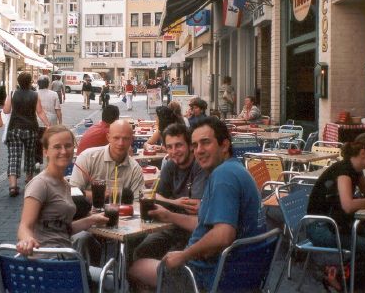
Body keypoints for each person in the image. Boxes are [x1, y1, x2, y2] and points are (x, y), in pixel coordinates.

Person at [129, 117, 265, 291]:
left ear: (224, 145)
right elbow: (207, 223)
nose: (199, 151)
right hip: (242, 272)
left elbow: (224, 235)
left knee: (134, 266)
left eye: (205, 143)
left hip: (205, 275)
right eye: (195, 145)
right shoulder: (236, 169)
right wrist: (169, 215)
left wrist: (184, 255)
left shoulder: (223, 176)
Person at [306, 132, 365, 291]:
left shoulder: (356, 170)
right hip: (321, 228)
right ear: (364, 153)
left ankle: (347, 277)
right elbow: (348, 206)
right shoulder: (344, 172)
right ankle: (343, 281)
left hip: (338, 224)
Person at [16, 125, 109, 257]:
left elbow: (63, 229)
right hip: (46, 262)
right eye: (57, 147)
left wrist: (92, 220)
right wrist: (27, 239)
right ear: (45, 151)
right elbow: (25, 226)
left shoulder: (65, 183)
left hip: (64, 258)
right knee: (112, 275)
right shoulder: (40, 184)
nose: (64, 151)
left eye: (68, 146)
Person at [131, 123, 207, 264]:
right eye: (169, 147)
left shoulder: (199, 166)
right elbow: (153, 194)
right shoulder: (171, 164)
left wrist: (167, 202)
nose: (174, 151)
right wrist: (175, 202)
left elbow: (194, 207)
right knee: (138, 251)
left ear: (190, 146)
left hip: (192, 231)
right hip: (170, 226)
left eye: (178, 145)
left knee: (151, 257)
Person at [69, 120, 145, 200]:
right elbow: (72, 192)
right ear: (108, 138)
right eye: (116, 138)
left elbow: (137, 202)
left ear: (131, 140)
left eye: (125, 138)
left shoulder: (135, 169)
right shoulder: (88, 157)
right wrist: (102, 195)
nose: (121, 143)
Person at [4, 72, 51, 197]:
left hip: (14, 129)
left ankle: (13, 186)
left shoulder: (12, 94)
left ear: (18, 82)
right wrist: (48, 124)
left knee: (14, 157)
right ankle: (29, 182)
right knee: (30, 155)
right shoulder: (35, 95)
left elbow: (6, 110)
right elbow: (40, 112)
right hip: (31, 129)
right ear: (30, 82)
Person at [36, 76, 62, 164]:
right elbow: (58, 109)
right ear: (48, 84)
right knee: (51, 142)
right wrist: (60, 122)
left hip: (38, 121)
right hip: (52, 122)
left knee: (38, 142)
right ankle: (50, 161)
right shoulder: (54, 94)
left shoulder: (35, 94)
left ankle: (38, 163)